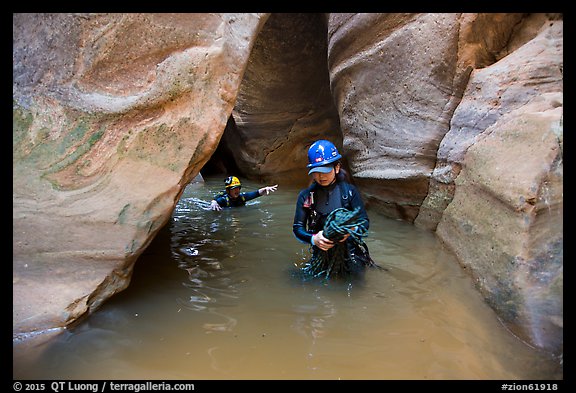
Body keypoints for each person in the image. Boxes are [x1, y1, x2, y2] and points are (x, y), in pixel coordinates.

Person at [292, 139, 375, 278]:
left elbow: (364, 222)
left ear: (336, 167)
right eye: (317, 171)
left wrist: (351, 230)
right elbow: (297, 229)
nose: (321, 176)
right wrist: (314, 239)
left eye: (325, 170)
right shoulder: (306, 196)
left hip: (350, 251)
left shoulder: (349, 192)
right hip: (321, 251)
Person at [210, 176, 278, 211]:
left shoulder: (242, 197)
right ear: (228, 191)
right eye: (233, 189)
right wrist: (214, 202)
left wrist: (265, 189)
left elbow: (257, 193)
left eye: (238, 188)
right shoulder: (223, 200)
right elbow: (212, 206)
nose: (236, 190)